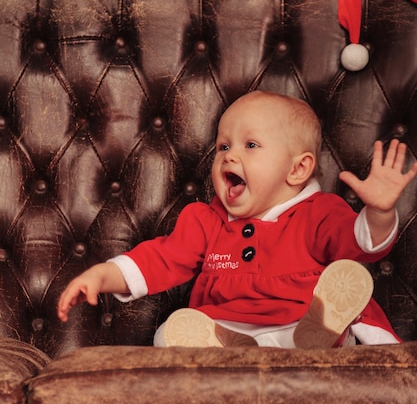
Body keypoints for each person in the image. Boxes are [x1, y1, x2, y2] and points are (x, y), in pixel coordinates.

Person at [57, 91, 417, 348]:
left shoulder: (318, 212)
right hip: (225, 326)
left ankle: (317, 341)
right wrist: (103, 275)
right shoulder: (206, 220)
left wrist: (380, 211)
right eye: (224, 147)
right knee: (169, 334)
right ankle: (248, 353)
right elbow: (161, 258)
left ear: (298, 169)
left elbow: (358, 245)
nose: (229, 157)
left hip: (300, 319)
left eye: (250, 146)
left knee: (307, 331)